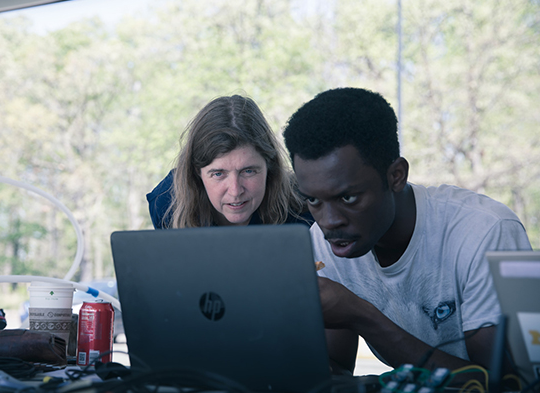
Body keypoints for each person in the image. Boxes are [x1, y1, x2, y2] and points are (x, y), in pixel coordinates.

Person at [282, 87, 532, 376]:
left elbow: (505, 384)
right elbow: (335, 371)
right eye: (313, 200)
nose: (329, 221)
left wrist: (363, 317)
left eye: (348, 198)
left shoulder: (486, 232)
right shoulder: (324, 244)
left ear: (396, 176)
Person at [147, 94, 311, 228]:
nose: (235, 191)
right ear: (197, 172)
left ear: (269, 166)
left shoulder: (305, 208)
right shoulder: (168, 204)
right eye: (218, 174)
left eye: (248, 171)